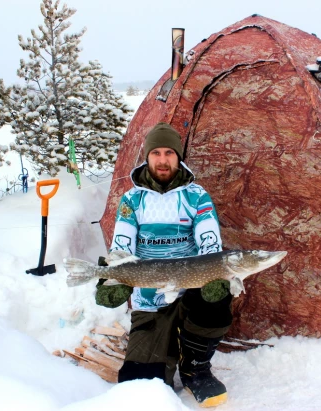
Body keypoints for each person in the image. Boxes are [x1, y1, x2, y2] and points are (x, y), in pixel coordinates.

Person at [96, 122, 232, 407]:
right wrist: (113, 277)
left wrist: (217, 273)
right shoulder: (131, 200)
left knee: (218, 297)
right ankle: (165, 348)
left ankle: (195, 367)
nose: (162, 160)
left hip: (190, 293)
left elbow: (210, 243)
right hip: (150, 300)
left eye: (169, 152)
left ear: (178, 156)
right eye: (155, 152)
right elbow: (122, 246)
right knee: (141, 387)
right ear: (146, 156)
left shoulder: (196, 196)